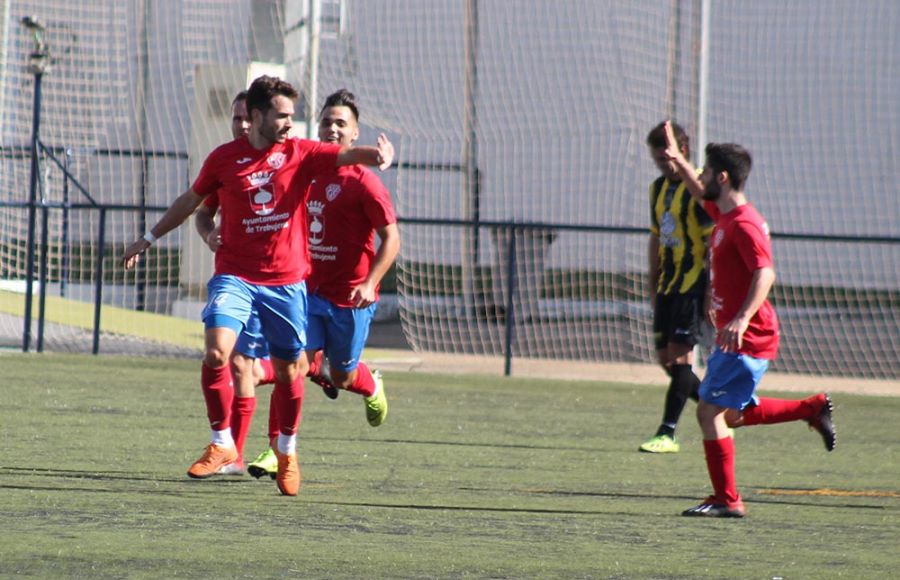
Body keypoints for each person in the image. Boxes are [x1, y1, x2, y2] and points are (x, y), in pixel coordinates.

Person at [120, 75, 394, 497]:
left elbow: (344, 155)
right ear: (258, 115)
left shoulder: (300, 153)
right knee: (216, 352)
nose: (290, 123)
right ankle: (222, 444)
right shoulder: (223, 159)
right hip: (235, 277)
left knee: (290, 372)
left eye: (293, 115)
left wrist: (377, 156)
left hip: (287, 285)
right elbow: (192, 203)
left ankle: (286, 450)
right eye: (283, 115)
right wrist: (149, 238)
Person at [660, 122, 836, 518]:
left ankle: (727, 499)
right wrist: (679, 163)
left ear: (722, 177)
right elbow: (696, 190)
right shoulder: (723, 213)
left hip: (745, 337)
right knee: (731, 415)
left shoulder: (744, 223)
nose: (701, 176)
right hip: (735, 335)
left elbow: (765, 272)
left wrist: (740, 318)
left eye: (705, 171)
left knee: (709, 413)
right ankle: (812, 408)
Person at [244, 88, 400, 479]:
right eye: (327, 121)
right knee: (292, 366)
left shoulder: (365, 184)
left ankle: (370, 384)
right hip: (308, 292)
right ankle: (276, 449)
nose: (332, 128)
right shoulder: (304, 168)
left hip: (350, 299)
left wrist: (369, 282)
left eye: (340, 123)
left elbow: (392, 239)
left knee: (341, 375)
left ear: (354, 134)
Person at [639, 121, 713, 454]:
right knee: (666, 361)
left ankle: (667, 432)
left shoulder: (700, 188)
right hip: (668, 286)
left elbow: (715, 243)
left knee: (682, 360)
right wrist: (652, 281)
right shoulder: (657, 188)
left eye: (664, 159)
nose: (661, 166)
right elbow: (657, 236)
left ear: (681, 152)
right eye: (656, 161)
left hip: (693, 285)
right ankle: (723, 408)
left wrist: (711, 290)